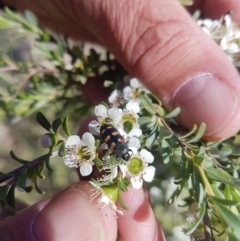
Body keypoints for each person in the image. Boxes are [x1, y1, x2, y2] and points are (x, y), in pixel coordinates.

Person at [1, 0, 240, 240]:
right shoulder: (121, 143)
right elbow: (114, 141)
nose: (126, 155)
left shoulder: (121, 145)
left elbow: (114, 142)